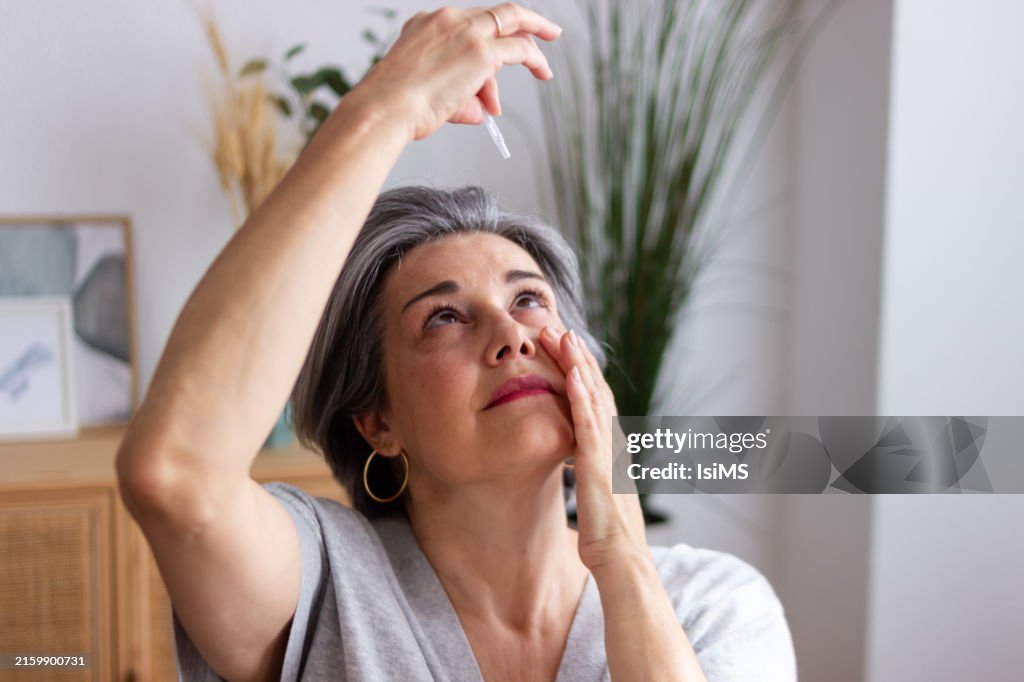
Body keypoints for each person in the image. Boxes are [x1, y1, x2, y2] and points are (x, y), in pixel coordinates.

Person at [116, 5, 797, 681]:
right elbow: (174, 474)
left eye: (528, 299)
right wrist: (383, 108)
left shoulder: (715, 607)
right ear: (377, 420)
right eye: (443, 317)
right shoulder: (323, 583)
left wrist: (622, 558)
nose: (510, 336)